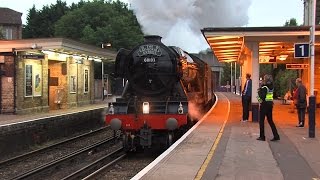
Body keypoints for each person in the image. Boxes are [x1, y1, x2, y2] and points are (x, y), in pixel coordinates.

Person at [256, 74, 280, 141]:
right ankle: (276, 135)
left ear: (265, 80)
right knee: (270, 121)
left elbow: (262, 97)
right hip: (270, 105)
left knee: (261, 121)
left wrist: (259, 94)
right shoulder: (271, 87)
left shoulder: (264, 88)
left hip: (264, 105)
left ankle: (262, 136)